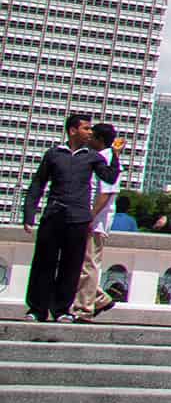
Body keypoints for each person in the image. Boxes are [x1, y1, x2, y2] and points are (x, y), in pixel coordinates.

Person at [21, 113, 110, 321]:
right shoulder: (53, 154)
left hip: (78, 219)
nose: (90, 132)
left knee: (71, 266)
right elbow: (38, 184)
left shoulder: (92, 157)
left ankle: (61, 309)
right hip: (53, 215)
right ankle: (37, 309)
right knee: (44, 264)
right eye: (86, 128)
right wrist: (29, 213)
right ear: (73, 130)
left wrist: (114, 154)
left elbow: (109, 176)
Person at [66, 123, 126, 321]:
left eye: (92, 137)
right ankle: (99, 298)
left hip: (96, 222)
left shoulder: (107, 158)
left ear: (99, 140)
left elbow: (105, 193)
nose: (89, 139)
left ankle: (84, 308)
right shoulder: (103, 157)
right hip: (94, 220)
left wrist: (89, 217)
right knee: (81, 263)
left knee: (88, 265)